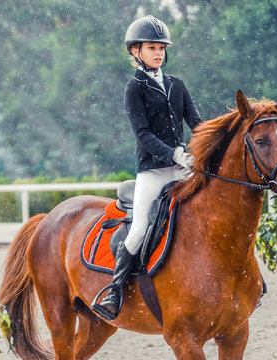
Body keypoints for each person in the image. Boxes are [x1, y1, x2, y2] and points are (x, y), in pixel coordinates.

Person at [92, 15, 202, 321]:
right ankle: (115, 290)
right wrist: (174, 155)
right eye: (152, 48)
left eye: (161, 48)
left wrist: (208, 145)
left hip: (182, 168)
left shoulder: (177, 85)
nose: (158, 53)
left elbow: (196, 123)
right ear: (135, 52)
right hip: (153, 171)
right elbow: (143, 135)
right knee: (139, 227)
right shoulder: (134, 88)